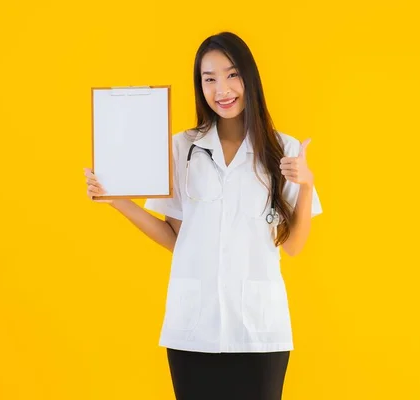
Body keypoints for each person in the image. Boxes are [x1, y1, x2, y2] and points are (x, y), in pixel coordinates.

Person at [83, 31, 322, 400]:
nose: (221, 89)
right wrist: (117, 200)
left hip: (259, 331)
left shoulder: (284, 150)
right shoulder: (182, 148)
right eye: (209, 79)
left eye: (231, 75)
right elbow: (175, 238)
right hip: (192, 327)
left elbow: (293, 246)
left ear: (249, 78)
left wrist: (306, 185)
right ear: (200, 86)